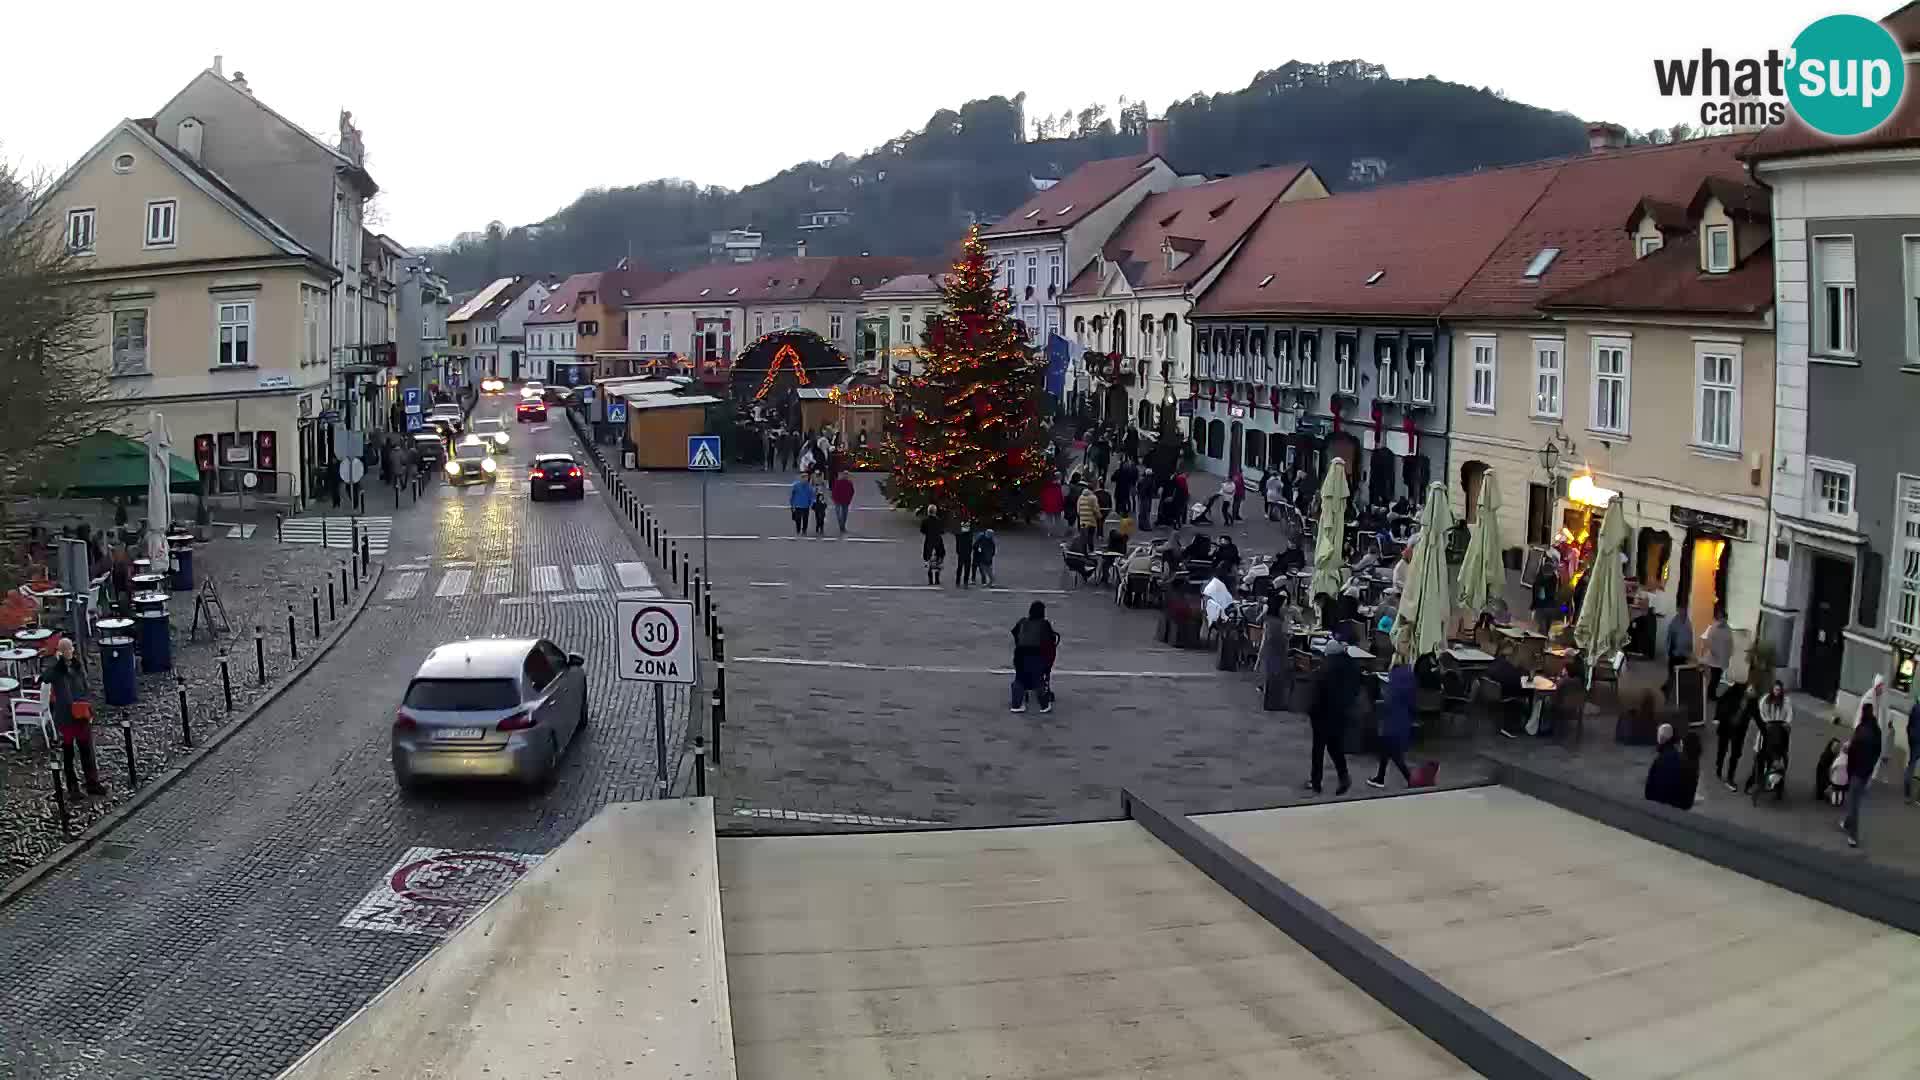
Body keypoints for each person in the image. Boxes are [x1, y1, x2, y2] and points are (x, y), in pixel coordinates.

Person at [48, 638, 104, 797]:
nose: (69, 652)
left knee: (87, 751)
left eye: (70, 649)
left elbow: (86, 688)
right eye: (66, 650)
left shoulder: (78, 667)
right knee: (69, 754)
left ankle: (92, 782)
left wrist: (88, 708)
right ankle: (73, 788)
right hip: (66, 719)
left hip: (81, 716)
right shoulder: (57, 671)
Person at [1307, 630, 1359, 795]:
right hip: (1340, 712)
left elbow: (1316, 693)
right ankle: (1343, 776)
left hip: (1322, 712)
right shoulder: (1352, 666)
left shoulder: (1325, 668)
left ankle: (1316, 782)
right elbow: (1355, 689)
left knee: (1318, 748)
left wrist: (1311, 711)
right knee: (1335, 746)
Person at [1842, 704, 1884, 848]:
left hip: (1857, 771)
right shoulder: (1876, 730)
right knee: (1855, 798)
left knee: (1853, 802)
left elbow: (1853, 751)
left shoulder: (1861, 730)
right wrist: (1872, 766)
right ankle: (1847, 822)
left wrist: (1849, 766)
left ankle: (1853, 836)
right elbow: (1878, 750)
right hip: (1867, 771)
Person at [1369, 662, 1415, 789]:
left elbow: (1388, 704)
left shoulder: (1394, 687)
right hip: (1403, 722)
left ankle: (1410, 778)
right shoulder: (1409, 684)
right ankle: (1380, 777)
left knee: (1393, 753)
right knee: (1386, 750)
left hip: (1392, 723)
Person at [1009, 601, 1059, 714]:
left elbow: (1015, 633)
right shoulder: (1044, 624)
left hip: (1020, 654)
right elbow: (1050, 640)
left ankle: (1016, 705)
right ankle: (1044, 706)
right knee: (1038, 679)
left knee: (1019, 678)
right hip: (1036, 655)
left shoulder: (1022, 621)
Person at [1746, 681, 1793, 796]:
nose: (1777, 692)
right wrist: (1766, 722)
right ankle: (1753, 783)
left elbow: (1789, 713)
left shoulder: (1786, 701)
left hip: (1780, 732)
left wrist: (1786, 723)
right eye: (1775, 689)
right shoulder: (1765, 700)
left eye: (1779, 690)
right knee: (1758, 761)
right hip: (1767, 731)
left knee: (1778, 759)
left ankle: (1777, 784)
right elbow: (1761, 713)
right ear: (1772, 689)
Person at [1711, 680, 1752, 791]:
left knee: (1735, 752)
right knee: (1723, 748)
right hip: (1727, 724)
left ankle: (1730, 777)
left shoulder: (1751, 694)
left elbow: (1755, 711)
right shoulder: (1732, 688)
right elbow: (1721, 700)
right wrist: (1718, 717)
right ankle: (1719, 766)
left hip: (1740, 728)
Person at [1644, 723, 1694, 810]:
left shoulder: (1659, 761)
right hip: (1678, 808)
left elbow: (1648, 792)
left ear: (1660, 739)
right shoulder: (1682, 760)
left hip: (1661, 808)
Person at [1699, 609, 1733, 700]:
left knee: (1716, 678)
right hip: (1714, 658)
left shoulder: (1727, 628)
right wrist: (1712, 652)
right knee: (1715, 678)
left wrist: (1729, 654)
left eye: (1725, 618)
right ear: (1719, 618)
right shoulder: (1713, 628)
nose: (1724, 620)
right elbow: (1707, 642)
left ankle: (1710, 694)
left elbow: (1730, 642)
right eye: (1723, 618)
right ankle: (1710, 695)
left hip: (1722, 658)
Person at [1662, 604, 1694, 698]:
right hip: (1675, 653)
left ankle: (1668, 687)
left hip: (1683, 653)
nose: (1682, 612)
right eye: (1681, 610)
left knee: (1677, 673)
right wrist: (1668, 651)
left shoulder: (1687, 623)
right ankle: (1668, 689)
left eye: (1684, 610)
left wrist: (1689, 651)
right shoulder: (1674, 622)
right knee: (1673, 672)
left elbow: (1690, 637)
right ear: (1678, 610)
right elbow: (1669, 638)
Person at [1529, 553, 1559, 634]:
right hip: (1544, 606)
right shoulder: (1541, 580)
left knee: (1544, 627)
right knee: (1542, 628)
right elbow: (1537, 593)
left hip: (1547, 606)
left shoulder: (1552, 578)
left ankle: (1543, 638)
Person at [920, 507, 946, 585]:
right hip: (938, 541)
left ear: (928, 511)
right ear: (935, 512)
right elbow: (942, 531)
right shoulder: (939, 521)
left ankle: (930, 579)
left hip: (929, 541)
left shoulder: (925, 521)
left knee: (928, 559)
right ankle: (937, 578)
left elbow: (922, 530)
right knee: (939, 558)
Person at [787, 472, 814, 537]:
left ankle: (804, 530)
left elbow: (811, 496)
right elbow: (792, 496)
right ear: (801, 479)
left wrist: (811, 504)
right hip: (798, 505)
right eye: (804, 478)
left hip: (806, 505)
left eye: (807, 478)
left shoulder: (809, 487)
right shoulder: (796, 486)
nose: (806, 479)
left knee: (805, 519)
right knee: (798, 519)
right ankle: (798, 530)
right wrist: (792, 504)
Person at [1076, 482, 1102, 550]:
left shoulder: (1080, 497)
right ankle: (1091, 550)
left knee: (1083, 537)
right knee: (1090, 536)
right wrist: (1099, 516)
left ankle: (1083, 551)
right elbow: (1095, 509)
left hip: (1083, 522)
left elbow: (1078, 511)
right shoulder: (1093, 497)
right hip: (1091, 521)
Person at [1905, 697, 1920, 805]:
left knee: (1911, 765)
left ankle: (1907, 794)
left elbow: (1909, 725)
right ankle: (1918, 798)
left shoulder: (1915, 707)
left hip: (1914, 739)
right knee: (1912, 766)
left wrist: (1910, 736)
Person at [954, 519, 976, 589]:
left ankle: (958, 581)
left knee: (960, 567)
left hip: (961, 552)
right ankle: (965, 582)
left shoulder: (959, 535)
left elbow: (957, 544)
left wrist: (957, 551)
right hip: (967, 552)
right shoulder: (970, 534)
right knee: (966, 568)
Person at [809, 470, 829, 535]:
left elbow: (826, 488)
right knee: (817, 515)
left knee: (822, 515)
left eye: (818, 474)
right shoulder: (813, 479)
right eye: (816, 474)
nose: (817, 476)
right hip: (816, 501)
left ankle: (821, 527)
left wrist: (825, 502)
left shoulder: (823, 479)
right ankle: (818, 526)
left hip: (822, 501)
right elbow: (810, 486)